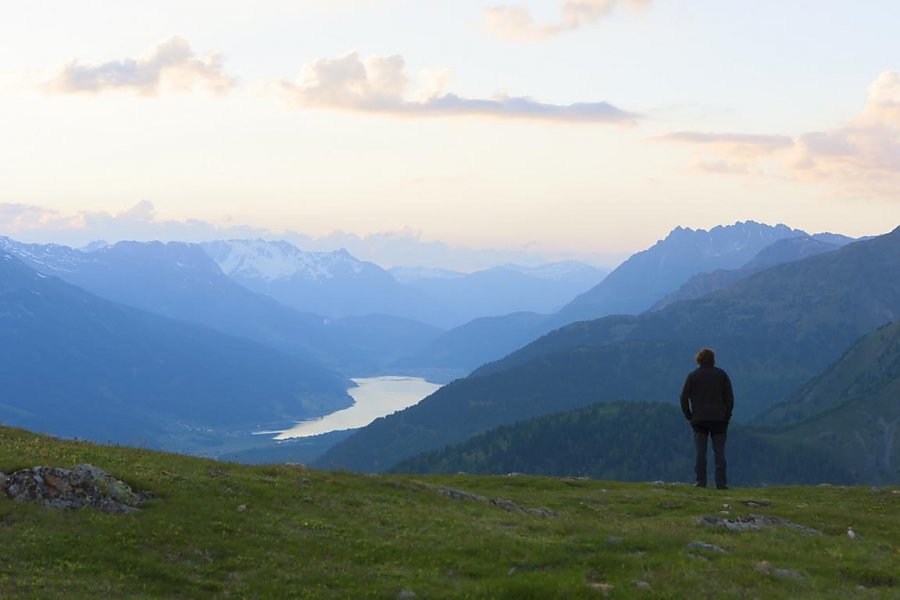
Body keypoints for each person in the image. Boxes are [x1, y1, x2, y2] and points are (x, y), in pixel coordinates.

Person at [680, 348, 734, 489]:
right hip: (719, 419)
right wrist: (727, 416)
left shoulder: (693, 376)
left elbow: (683, 398)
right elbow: (729, 398)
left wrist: (689, 416)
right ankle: (721, 483)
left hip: (699, 419)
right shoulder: (721, 375)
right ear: (713, 359)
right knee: (719, 452)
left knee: (700, 452)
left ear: (699, 359)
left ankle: (700, 481)